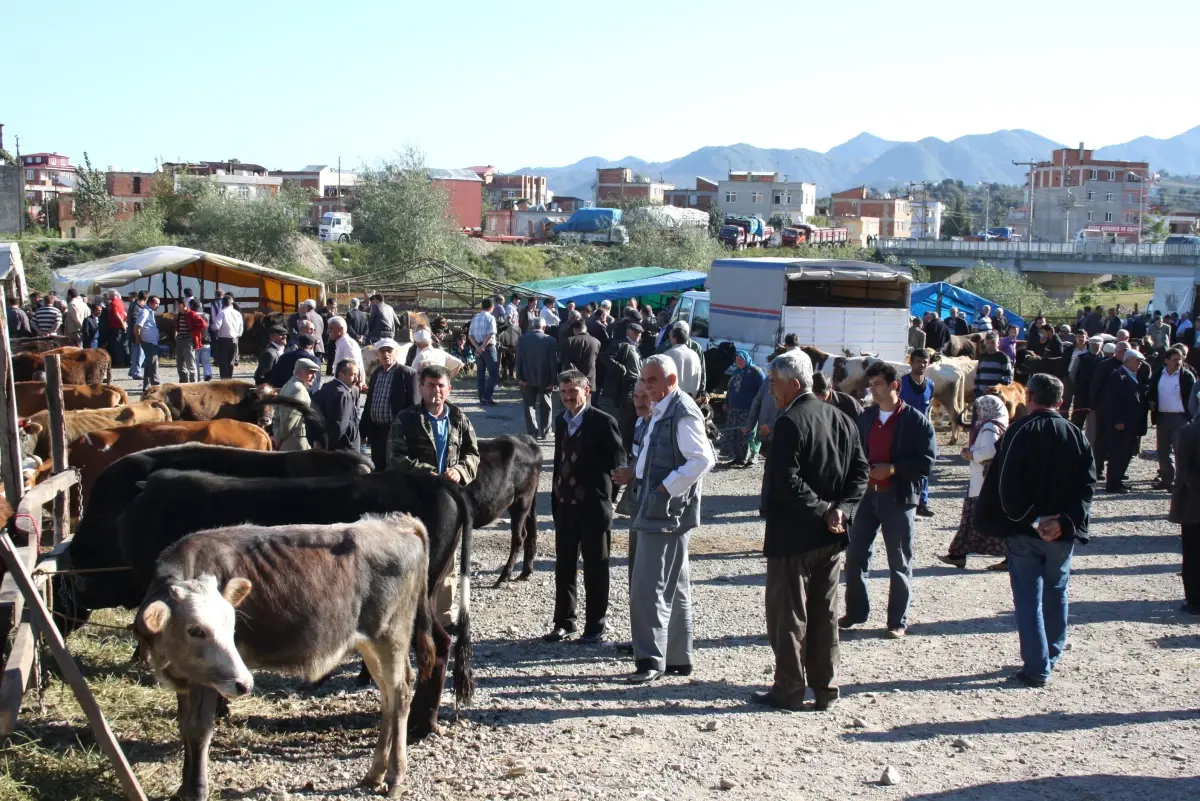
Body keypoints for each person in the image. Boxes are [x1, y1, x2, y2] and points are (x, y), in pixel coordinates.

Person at [751, 350, 869, 712]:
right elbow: (861, 473)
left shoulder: (790, 422)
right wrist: (841, 511)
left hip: (794, 537)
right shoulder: (841, 418)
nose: (771, 389)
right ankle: (825, 688)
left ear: (794, 384)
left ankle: (788, 690)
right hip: (830, 537)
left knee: (789, 615)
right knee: (824, 613)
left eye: (774, 383)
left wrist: (826, 512)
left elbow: (787, 480)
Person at [974, 373, 1095, 687]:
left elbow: (1006, 486)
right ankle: (1050, 656)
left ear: (1028, 397)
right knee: (1057, 592)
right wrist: (1064, 522)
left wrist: (1034, 520)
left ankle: (1037, 665)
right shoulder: (1075, 434)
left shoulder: (1018, 432)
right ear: (1060, 401)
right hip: (1061, 533)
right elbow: (1087, 486)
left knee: (1028, 599)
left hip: (1025, 531)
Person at [611, 356, 715, 683]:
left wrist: (666, 487)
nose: (646, 386)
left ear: (671, 380)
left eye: (652, 380)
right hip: (660, 508)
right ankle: (677, 657)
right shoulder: (665, 407)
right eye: (644, 380)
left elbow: (702, 459)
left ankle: (650, 660)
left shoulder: (681, 412)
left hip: (664, 511)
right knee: (674, 584)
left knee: (647, 586)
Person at [841, 361, 936, 639]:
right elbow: (854, 453)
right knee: (855, 556)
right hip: (866, 498)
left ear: (895, 385)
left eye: (878, 384)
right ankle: (856, 612)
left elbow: (927, 462)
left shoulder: (916, 421)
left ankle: (897, 621)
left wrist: (893, 468)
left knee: (899, 560)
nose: (873, 389)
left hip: (899, 498)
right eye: (871, 384)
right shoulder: (866, 418)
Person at [388, 364, 480, 626]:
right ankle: (408, 618)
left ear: (449, 388)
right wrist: (427, 472)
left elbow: (473, 454)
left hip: (448, 503)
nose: (436, 391)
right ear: (421, 387)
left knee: (446, 560)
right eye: (430, 385)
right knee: (409, 558)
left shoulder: (459, 418)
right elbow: (395, 458)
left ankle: (443, 618)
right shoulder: (406, 419)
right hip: (414, 500)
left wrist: (460, 470)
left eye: (441, 386)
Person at [544, 369, 625, 644]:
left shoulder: (603, 422)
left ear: (586, 391)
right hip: (565, 506)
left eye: (573, 391)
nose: (567, 397)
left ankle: (595, 627)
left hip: (593, 509)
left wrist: (607, 500)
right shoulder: (561, 421)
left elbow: (618, 465)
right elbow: (559, 460)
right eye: (564, 392)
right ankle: (564, 622)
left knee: (595, 568)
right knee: (564, 566)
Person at [939, 395, 1010, 570]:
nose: (977, 412)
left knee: (976, 520)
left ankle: (959, 554)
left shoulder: (989, 427)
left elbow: (990, 451)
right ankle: (958, 554)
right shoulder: (997, 425)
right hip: (985, 482)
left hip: (983, 483)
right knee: (973, 522)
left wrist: (971, 455)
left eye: (979, 408)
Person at [360, 338, 416, 470]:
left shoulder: (407, 374)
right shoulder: (376, 373)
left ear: (396, 352)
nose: (386, 354)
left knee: (395, 468)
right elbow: (369, 403)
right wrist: (363, 430)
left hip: (396, 432)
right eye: (382, 351)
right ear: (377, 355)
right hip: (377, 431)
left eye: (389, 351)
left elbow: (414, 404)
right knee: (378, 467)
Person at [1148, 346, 1194, 491]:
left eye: (1180, 359)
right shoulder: (1158, 375)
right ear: (1166, 360)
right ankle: (1167, 480)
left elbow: (1193, 398)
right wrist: (1151, 402)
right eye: (1174, 359)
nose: (1178, 362)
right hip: (1163, 417)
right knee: (1162, 451)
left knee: (1180, 450)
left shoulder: (1186, 376)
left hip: (1180, 418)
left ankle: (1181, 481)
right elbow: (1151, 391)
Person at [1103, 348, 1148, 493]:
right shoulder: (1118, 376)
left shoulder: (1133, 375)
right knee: (1118, 453)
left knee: (1127, 452)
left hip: (1132, 422)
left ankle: (1119, 479)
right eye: (1137, 361)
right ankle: (1113, 483)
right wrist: (1118, 420)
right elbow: (1113, 401)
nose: (1140, 364)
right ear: (1128, 361)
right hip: (1122, 423)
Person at [899, 348, 936, 518]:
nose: (921, 365)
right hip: (903, 431)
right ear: (911, 362)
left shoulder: (930, 385)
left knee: (925, 466)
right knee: (904, 467)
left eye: (925, 362)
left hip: (923, 433)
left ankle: (922, 502)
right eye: (918, 361)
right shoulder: (901, 383)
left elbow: (929, 409)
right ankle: (904, 501)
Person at [1170, 417, 1200, 615]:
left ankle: (1195, 601)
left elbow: (1184, 470)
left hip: (1193, 505)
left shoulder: (1187, 433)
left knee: (1193, 554)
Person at [516, 317, 560, 439]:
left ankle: (532, 432)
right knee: (546, 405)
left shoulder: (522, 339)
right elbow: (553, 363)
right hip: (545, 379)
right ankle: (546, 432)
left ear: (531, 326)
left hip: (526, 378)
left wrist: (519, 377)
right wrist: (553, 381)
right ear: (544, 327)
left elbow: (518, 360)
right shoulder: (551, 340)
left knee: (529, 406)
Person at [720, 351, 765, 468]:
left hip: (749, 409)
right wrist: (726, 402)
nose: (739, 361)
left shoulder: (756, 372)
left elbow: (763, 389)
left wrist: (761, 406)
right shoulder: (736, 372)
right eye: (737, 359)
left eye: (741, 359)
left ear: (747, 359)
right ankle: (738, 458)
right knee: (735, 434)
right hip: (734, 409)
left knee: (748, 433)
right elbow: (730, 389)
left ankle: (752, 457)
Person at [313, 358, 362, 453]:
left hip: (328, 445)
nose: (356, 379)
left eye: (357, 375)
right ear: (341, 375)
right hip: (344, 448)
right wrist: (327, 445)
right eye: (352, 375)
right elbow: (340, 426)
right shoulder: (343, 394)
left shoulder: (326, 388)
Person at [275, 358, 321, 451]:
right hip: (295, 441)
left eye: (315, 373)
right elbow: (290, 419)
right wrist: (280, 438)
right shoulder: (299, 389)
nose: (314, 377)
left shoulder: (287, 385)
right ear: (299, 372)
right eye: (310, 372)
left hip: (287, 439)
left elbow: (276, 413)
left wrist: (277, 434)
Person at [600, 322, 642, 411]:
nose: (638, 335)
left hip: (633, 383)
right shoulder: (621, 344)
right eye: (635, 333)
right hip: (622, 384)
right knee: (620, 409)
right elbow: (607, 357)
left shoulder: (636, 346)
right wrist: (622, 369)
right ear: (628, 332)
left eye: (639, 333)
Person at [469, 298, 500, 406]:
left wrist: (478, 347)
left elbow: (470, 335)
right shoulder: (491, 318)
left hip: (477, 347)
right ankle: (487, 396)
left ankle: (481, 398)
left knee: (480, 374)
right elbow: (491, 333)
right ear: (491, 307)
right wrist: (483, 346)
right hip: (489, 347)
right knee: (493, 373)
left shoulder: (475, 318)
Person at [1068, 334, 1102, 431]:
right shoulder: (1081, 358)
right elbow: (1073, 374)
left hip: (1097, 394)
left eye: (1097, 345)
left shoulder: (1104, 359)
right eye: (1093, 345)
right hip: (1082, 393)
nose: (1095, 347)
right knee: (1078, 418)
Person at [559, 312, 601, 391]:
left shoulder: (569, 341)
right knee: (587, 398)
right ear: (585, 328)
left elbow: (564, 360)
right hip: (589, 380)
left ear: (574, 330)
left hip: (573, 380)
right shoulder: (596, 342)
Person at [133, 294, 162, 390]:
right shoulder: (145, 312)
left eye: (158, 304)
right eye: (156, 303)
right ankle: (156, 385)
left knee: (149, 364)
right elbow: (137, 326)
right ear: (150, 303)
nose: (158, 305)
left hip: (152, 341)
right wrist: (138, 338)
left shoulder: (150, 312)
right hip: (148, 342)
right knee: (153, 364)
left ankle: (146, 387)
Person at [663, 326, 701, 396]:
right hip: (691, 396)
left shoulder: (668, 354)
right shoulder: (695, 354)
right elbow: (699, 376)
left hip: (672, 396)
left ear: (674, 338)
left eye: (671, 337)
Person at [176, 298, 207, 383]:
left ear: (182, 305)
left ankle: (193, 384)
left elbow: (203, 324)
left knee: (190, 364)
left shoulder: (191, 314)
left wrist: (193, 333)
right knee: (180, 364)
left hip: (188, 341)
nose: (176, 306)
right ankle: (183, 384)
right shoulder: (180, 314)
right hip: (180, 340)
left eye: (177, 304)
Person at [974, 331, 1013, 398]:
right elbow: (978, 374)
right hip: (981, 393)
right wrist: (977, 390)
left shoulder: (1003, 358)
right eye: (988, 342)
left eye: (993, 342)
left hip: (995, 395)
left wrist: (1000, 392)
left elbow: (1007, 378)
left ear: (998, 343)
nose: (990, 345)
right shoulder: (982, 357)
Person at [213, 294, 244, 379]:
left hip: (223, 339)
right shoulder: (237, 313)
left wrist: (211, 326)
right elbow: (241, 328)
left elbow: (217, 326)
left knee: (223, 361)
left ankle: (224, 380)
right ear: (232, 303)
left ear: (223, 303)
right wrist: (237, 335)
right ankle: (230, 379)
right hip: (235, 339)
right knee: (231, 361)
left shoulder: (222, 312)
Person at [104, 290, 129, 368]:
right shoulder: (121, 302)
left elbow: (117, 315)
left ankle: (120, 362)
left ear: (112, 295)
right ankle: (127, 361)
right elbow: (125, 314)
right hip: (120, 327)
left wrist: (122, 324)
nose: (108, 296)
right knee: (123, 344)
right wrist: (125, 322)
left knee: (117, 345)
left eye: (109, 295)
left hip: (116, 327)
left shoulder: (113, 303)